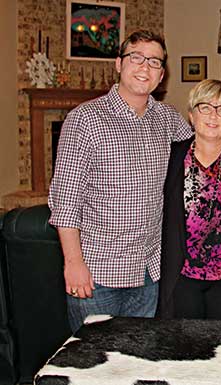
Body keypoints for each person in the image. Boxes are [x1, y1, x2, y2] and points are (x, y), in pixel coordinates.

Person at [48, 30, 192, 332]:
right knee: (93, 366)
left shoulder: (168, 118)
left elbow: (202, 153)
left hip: (149, 271)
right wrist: (73, 263)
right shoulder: (84, 119)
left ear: (162, 74)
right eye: (136, 57)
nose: (145, 67)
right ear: (118, 64)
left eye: (154, 62)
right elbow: (65, 199)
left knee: (136, 363)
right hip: (97, 274)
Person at [158, 79, 221, 321]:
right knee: (183, 349)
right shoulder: (172, 157)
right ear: (192, 115)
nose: (214, 116)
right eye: (205, 107)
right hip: (181, 277)